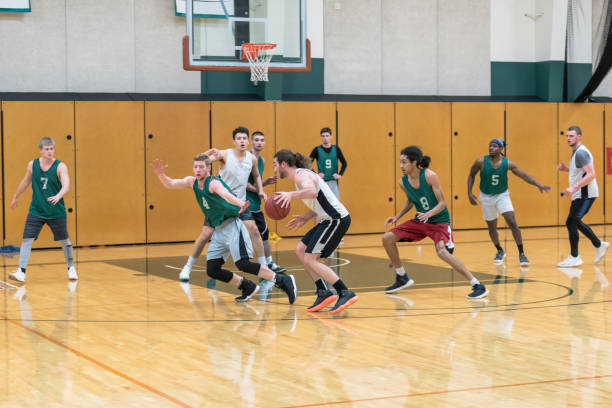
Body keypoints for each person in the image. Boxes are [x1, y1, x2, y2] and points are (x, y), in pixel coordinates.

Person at [151, 155, 297, 303]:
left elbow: (226, 194)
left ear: (209, 168)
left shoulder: (213, 183)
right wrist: (161, 175)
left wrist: (240, 203)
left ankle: (282, 280)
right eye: (195, 167)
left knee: (243, 264)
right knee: (212, 270)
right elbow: (171, 184)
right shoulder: (192, 182)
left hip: (233, 224)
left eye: (201, 167)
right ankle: (247, 286)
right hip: (219, 229)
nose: (198, 170)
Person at [382, 146, 489, 299]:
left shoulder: (430, 176)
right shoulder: (403, 182)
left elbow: (442, 204)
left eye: (404, 162)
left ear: (414, 162)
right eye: (400, 162)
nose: (401, 166)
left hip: (439, 221)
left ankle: (477, 285)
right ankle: (401, 277)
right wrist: (397, 217)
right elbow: (411, 201)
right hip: (421, 221)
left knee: (442, 252)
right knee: (387, 238)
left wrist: (428, 214)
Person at [273, 149, 358, 315]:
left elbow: (312, 192)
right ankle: (323, 291)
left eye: (275, 165)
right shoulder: (301, 176)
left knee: (311, 259)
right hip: (328, 218)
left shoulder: (300, 176)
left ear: (283, 164)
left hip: (336, 219)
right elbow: (319, 199)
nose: (275, 169)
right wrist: (305, 218)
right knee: (300, 250)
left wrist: (291, 194)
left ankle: (344, 292)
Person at [467, 138, 551, 265]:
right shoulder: (480, 162)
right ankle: (500, 250)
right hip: (486, 196)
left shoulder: (508, 164)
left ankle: (521, 253)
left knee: (511, 220)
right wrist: (469, 193)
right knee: (492, 227)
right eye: (490, 145)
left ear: (501, 149)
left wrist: (538, 185)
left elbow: (524, 175)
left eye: (494, 146)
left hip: (502, 195)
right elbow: (471, 175)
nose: (491, 148)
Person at [9, 137, 78, 283]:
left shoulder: (60, 166)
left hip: (55, 211)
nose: (50, 151)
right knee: (27, 238)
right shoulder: (32, 165)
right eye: (47, 149)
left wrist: (58, 196)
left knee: (64, 240)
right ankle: (21, 271)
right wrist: (16, 196)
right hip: (37, 210)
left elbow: (66, 185)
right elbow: (25, 182)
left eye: (52, 149)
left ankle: (71, 268)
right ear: (40, 150)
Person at [204, 127, 271, 274]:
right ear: (234, 141)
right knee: (206, 234)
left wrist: (261, 190)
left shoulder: (251, 158)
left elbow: (257, 175)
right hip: (222, 203)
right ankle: (198, 264)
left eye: (244, 138)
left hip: (240, 203)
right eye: (239, 138)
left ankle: (264, 264)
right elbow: (203, 162)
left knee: (254, 230)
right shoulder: (224, 154)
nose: (242, 141)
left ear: (248, 141)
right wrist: (207, 154)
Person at [557, 126, 609, 267]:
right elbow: (580, 171)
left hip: (585, 194)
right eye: (567, 136)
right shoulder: (576, 152)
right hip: (580, 193)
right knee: (573, 221)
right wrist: (566, 169)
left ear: (579, 136)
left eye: (572, 136)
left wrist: (573, 187)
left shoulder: (581, 153)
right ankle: (599, 245)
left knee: (571, 221)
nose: (568, 138)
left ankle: (575, 256)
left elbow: (592, 174)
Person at [247, 131, 285, 273]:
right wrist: (259, 190)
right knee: (253, 234)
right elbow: (243, 183)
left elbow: (255, 183)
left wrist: (264, 183)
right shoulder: (246, 158)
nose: (259, 142)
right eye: (256, 140)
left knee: (264, 234)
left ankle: (269, 263)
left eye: (262, 140)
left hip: (256, 204)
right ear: (251, 142)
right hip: (244, 203)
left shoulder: (261, 161)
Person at [309, 127, 347, 200]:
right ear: (321, 137)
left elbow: (344, 163)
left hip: (333, 181)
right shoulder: (317, 150)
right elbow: (307, 164)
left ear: (331, 137)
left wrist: (340, 174)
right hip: (321, 182)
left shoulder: (336, 149)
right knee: (321, 205)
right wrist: (316, 175)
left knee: (336, 204)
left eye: (327, 136)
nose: (325, 138)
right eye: (323, 136)